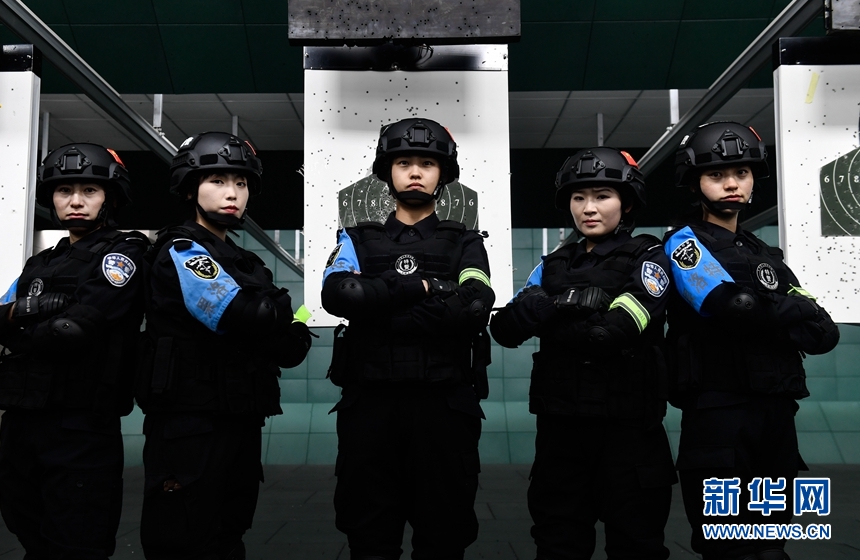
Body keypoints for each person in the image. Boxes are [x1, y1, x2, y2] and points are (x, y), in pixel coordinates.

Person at [0, 143, 148, 559]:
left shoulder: (124, 253)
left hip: (80, 425)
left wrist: (13, 328)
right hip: (21, 422)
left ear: (111, 197)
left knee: (76, 543)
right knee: (27, 529)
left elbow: (72, 330)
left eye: (89, 190)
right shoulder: (40, 264)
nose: (75, 201)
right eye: (65, 190)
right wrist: (21, 311)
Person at [664, 121, 840, 560]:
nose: (731, 184)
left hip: (776, 414)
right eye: (717, 175)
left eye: (741, 173)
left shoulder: (767, 255)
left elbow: (823, 332)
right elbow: (731, 306)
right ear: (695, 182)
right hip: (718, 412)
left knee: (772, 545)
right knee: (728, 545)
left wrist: (766, 310)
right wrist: (785, 310)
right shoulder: (683, 243)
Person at [490, 147, 677, 560]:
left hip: (629, 432)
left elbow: (612, 332)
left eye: (602, 196)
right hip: (561, 434)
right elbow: (503, 329)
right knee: (557, 545)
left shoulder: (649, 256)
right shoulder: (551, 264)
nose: (588, 208)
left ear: (627, 203)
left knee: (637, 546)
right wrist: (570, 304)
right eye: (579, 197)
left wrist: (547, 312)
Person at [321, 117, 494, 560]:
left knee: (444, 538)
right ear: (387, 171)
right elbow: (339, 294)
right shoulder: (355, 238)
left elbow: (476, 303)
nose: (415, 172)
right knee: (369, 539)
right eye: (403, 163)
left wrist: (379, 307)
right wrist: (426, 290)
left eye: (427, 164)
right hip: (370, 408)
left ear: (443, 174)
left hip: (443, 409)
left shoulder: (466, 242)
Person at [136, 131, 311, 560]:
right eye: (217, 181)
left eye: (241, 182)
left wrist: (273, 319)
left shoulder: (246, 262)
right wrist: (276, 315)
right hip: (189, 422)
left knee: (229, 532)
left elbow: (290, 350)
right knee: (182, 537)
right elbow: (244, 314)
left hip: (239, 416)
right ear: (190, 188)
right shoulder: (181, 248)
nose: (232, 193)